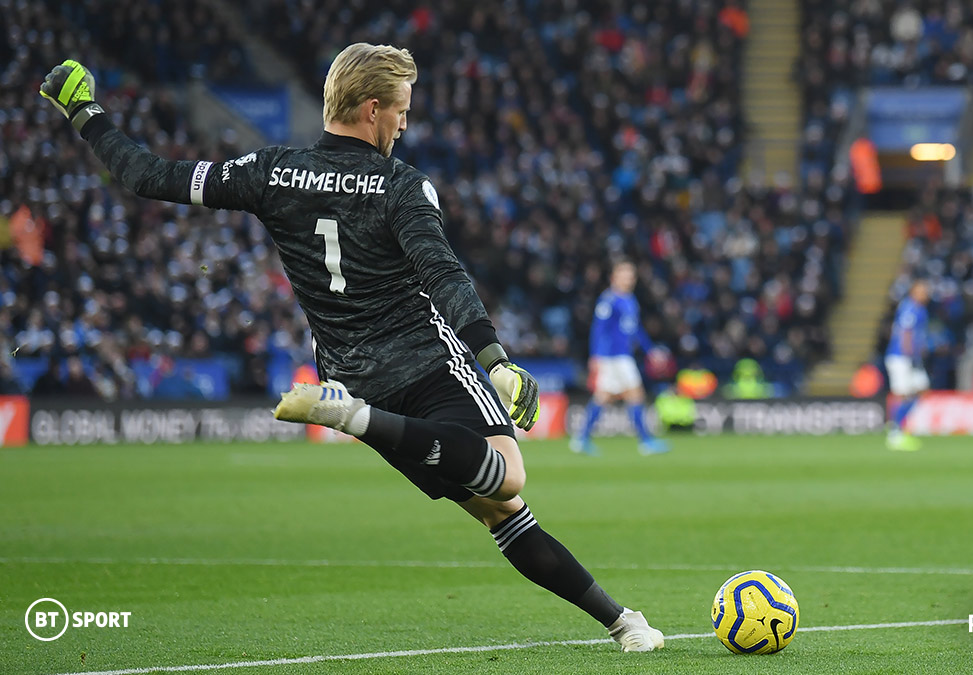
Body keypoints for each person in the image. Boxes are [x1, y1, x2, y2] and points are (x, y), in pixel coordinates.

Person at [42, 47, 663, 652]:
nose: (405, 121)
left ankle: (620, 621)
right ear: (372, 109)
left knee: (501, 513)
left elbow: (149, 175)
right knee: (509, 475)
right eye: (401, 109)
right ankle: (350, 419)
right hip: (425, 361)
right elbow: (443, 272)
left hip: (354, 374)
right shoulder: (401, 185)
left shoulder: (271, 171)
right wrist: (494, 359)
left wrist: (86, 115)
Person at [570, 261, 669, 456]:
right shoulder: (609, 300)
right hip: (613, 357)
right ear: (614, 277)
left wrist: (650, 350)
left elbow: (635, 329)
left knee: (604, 397)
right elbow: (598, 329)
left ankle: (581, 439)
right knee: (635, 395)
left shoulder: (630, 299)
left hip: (622, 356)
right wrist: (595, 355)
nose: (629, 278)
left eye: (631, 275)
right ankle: (646, 441)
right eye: (624, 274)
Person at [884, 279, 930, 451]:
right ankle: (895, 433)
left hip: (912, 358)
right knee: (902, 394)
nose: (926, 294)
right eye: (923, 290)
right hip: (901, 357)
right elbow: (906, 333)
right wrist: (910, 355)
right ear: (914, 291)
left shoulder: (920, 309)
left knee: (921, 389)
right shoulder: (910, 308)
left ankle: (897, 425)